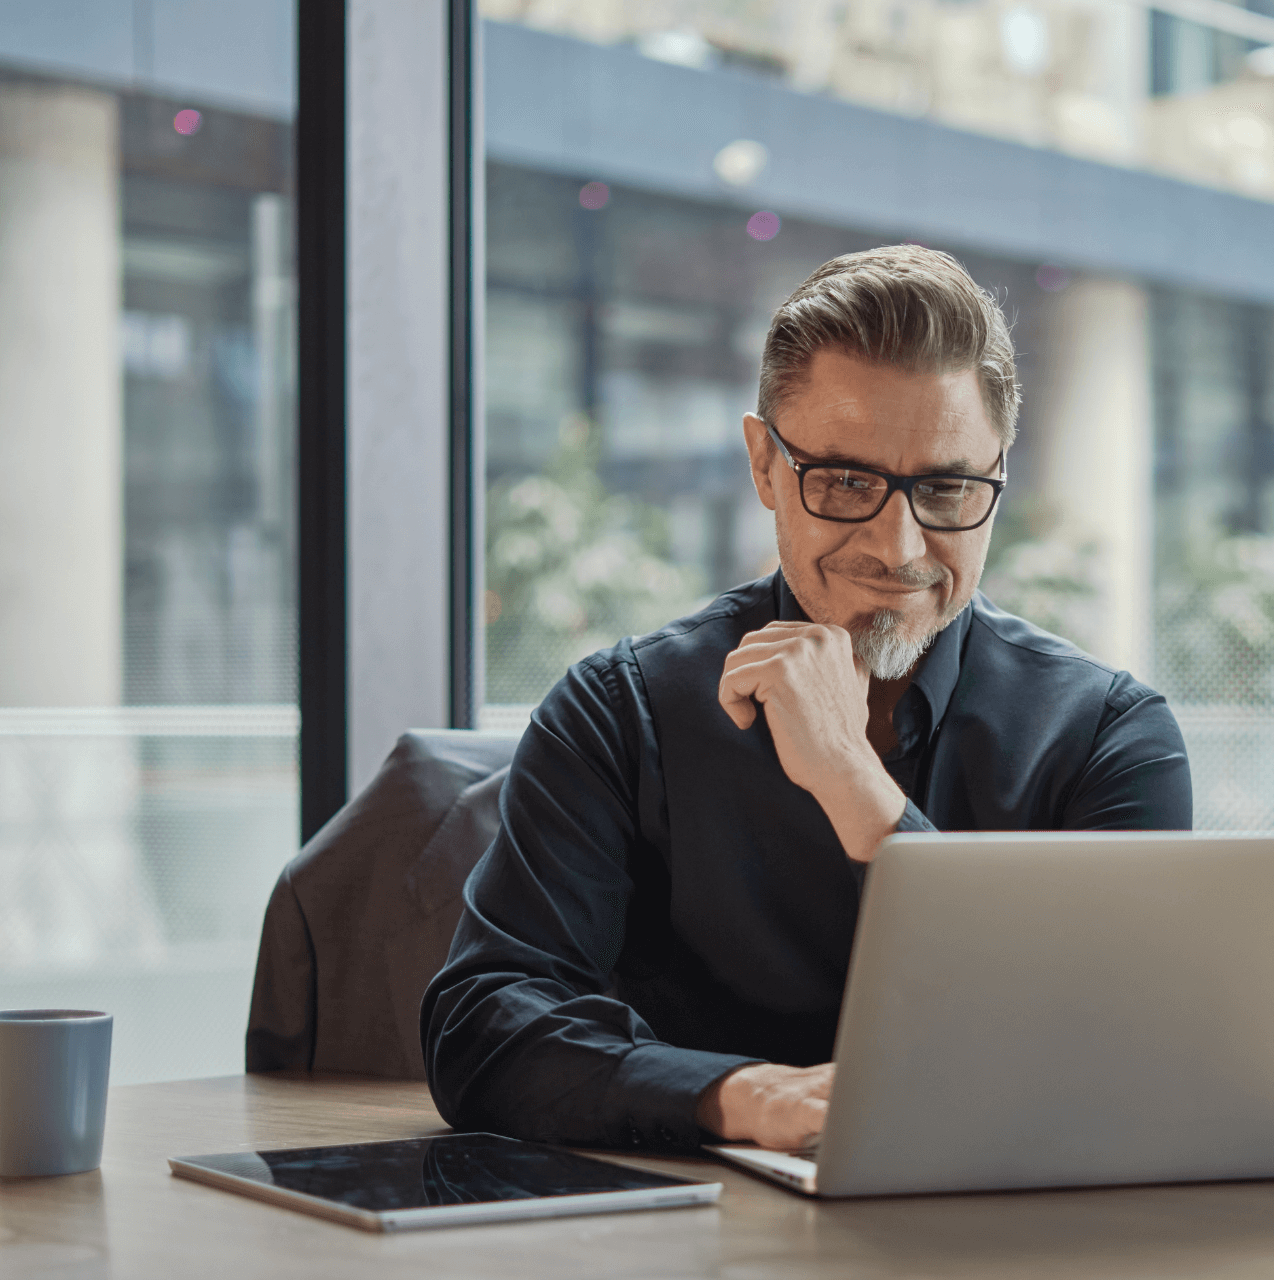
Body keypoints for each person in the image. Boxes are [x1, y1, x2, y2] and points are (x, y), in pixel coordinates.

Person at [421, 245, 1192, 1155]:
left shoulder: (1111, 738)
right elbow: (482, 1028)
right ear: (764, 466)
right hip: (693, 1233)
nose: (899, 545)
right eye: (846, 482)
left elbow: (1115, 1056)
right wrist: (742, 1099)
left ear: (997, 478)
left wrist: (855, 787)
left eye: (946, 488)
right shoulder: (621, 710)